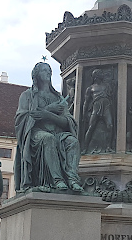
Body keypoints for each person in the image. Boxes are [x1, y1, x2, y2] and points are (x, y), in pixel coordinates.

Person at [14, 62, 84, 193]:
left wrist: (49, 115)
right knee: (48, 139)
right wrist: (48, 110)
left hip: (58, 134)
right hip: (36, 133)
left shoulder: (57, 97)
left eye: (49, 71)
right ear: (36, 75)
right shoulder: (28, 96)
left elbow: (67, 122)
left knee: (72, 142)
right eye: (44, 70)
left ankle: (72, 179)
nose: (48, 73)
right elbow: (22, 118)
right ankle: (57, 180)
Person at [81, 68, 114, 154]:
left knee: (110, 125)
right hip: (96, 107)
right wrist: (84, 114)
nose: (100, 76)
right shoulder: (90, 88)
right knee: (91, 127)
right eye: (98, 74)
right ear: (95, 77)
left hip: (106, 107)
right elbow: (86, 102)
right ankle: (85, 148)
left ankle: (108, 147)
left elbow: (111, 96)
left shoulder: (107, 86)